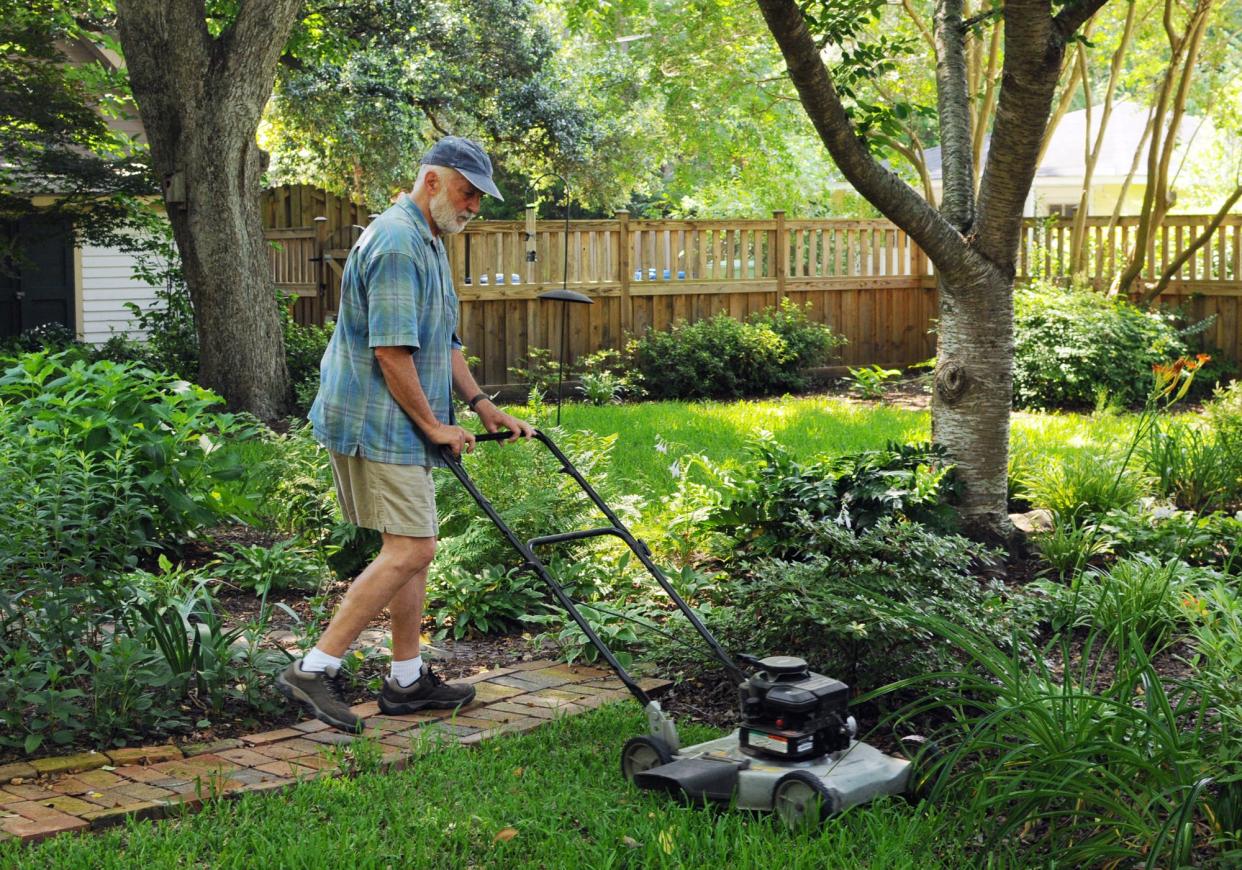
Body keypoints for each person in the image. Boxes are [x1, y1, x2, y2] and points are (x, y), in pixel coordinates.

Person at [277, 136, 533, 733]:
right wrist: (433, 425)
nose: (473, 206)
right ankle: (314, 667)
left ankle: (407, 680)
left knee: (413, 547)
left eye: (479, 198)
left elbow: (440, 341)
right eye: (468, 192)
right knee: (413, 548)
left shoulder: (429, 239)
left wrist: (478, 403)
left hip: (396, 416)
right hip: (379, 418)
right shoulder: (397, 242)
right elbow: (392, 352)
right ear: (435, 180)